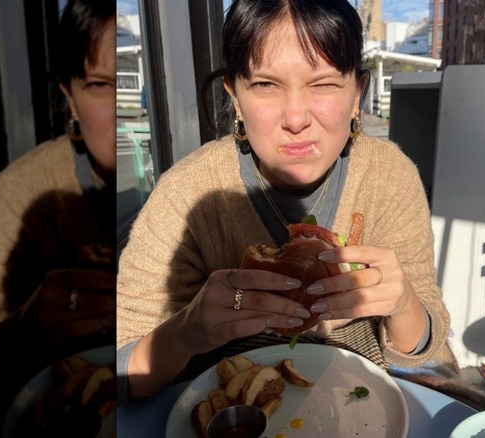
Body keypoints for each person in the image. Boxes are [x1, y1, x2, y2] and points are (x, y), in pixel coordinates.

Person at [117, 0, 456, 404]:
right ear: (235, 97)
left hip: (362, 407)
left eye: (324, 84)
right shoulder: (188, 195)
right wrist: (185, 332)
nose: (295, 119)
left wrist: (402, 302)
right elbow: (120, 371)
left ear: (357, 94)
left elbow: (423, 347)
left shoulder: (390, 177)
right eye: (265, 85)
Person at [0, 0, 116, 434]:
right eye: (101, 85)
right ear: (70, 97)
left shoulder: (188, 188)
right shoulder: (23, 197)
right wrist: (24, 332)